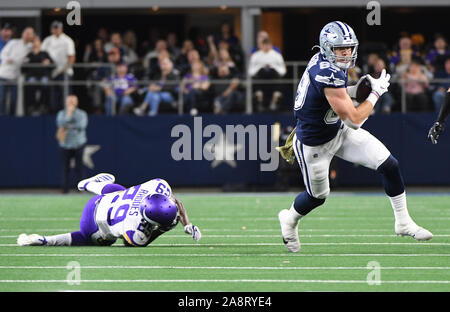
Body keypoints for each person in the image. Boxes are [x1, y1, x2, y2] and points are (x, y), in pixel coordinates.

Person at [277, 21, 433, 253]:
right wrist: (375, 93)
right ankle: (289, 220)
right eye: (341, 49)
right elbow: (355, 120)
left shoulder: (326, 63)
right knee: (317, 197)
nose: (347, 53)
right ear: (327, 48)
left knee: (389, 165)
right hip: (314, 144)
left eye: (349, 48)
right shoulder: (325, 72)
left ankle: (403, 222)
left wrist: (354, 90)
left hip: (338, 131)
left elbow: (331, 98)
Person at [17, 173, 202, 247]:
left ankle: (90, 184)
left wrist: (187, 223)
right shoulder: (133, 228)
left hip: (102, 201)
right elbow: (132, 244)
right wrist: (161, 230)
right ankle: (46, 240)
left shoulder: (156, 186)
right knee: (100, 241)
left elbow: (174, 201)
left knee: (123, 192)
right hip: (92, 225)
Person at [41, 21, 76, 113]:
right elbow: (42, 54)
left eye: (58, 28)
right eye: (54, 28)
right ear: (51, 29)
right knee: (52, 96)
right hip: (52, 72)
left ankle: (67, 114)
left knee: (65, 95)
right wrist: (45, 61)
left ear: (61, 29)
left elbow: (71, 57)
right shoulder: (47, 40)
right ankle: (53, 113)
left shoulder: (67, 40)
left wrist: (65, 69)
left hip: (64, 72)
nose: (56, 30)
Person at [56, 95, 88, 194]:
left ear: (77, 102)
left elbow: (81, 126)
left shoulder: (82, 114)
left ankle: (81, 189)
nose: (71, 103)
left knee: (79, 167)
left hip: (79, 143)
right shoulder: (62, 113)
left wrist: (68, 126)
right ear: (66, 102)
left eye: (73, 101)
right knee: (65, 168)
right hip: (65, 144)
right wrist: (69, 115)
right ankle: (65, 189)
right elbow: (60, 123)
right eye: (69, 101)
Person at [0, 27, 34, 115]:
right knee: (2, 98)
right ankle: (2, 118)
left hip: (15, 76)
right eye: (26, 33)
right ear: (22, 34)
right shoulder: (13, 42)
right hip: (3, 75)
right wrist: (8, 59)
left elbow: (30, 58)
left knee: (13, 99)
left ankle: (11, 118)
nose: (27, 35)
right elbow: (3, 54)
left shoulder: (30, 47)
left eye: (30, 33)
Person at [248, 37, 286, 112]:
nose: (266, 47)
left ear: (271, 45)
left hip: (273, 78)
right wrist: (262, 67)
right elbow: (250, 71)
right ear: (261, 45)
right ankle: (260, 102)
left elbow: (283, 70)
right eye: (264, 45)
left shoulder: (277, 55)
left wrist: (271, 68)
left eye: (268, 45)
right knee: (261, 72)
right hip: (260, 78)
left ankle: (274, 101)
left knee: (273, 73)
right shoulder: (256, 55)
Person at [21, 36, 54, 115]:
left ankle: (43, 106)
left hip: (43, 77)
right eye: (34, 42)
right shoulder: (29, 55)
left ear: (40, 43)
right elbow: (22, 69)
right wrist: (24, 63)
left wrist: (48, 63)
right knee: (31, 85)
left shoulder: (45, 54)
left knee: (45, 84)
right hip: (32, 77)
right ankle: (32, 106)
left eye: (37, 41)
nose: (35, 43)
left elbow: (53, 66)